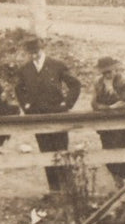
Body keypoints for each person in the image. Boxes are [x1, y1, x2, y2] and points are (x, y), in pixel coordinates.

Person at [15, 36, 82, 193]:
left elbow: (75, 84)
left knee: (61, 150)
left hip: (57, 115)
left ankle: (68, 191)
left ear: (41, 48)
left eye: (36, 51)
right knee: (46, 152)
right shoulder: (24, 69)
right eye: (30, 52)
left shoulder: (56, 65)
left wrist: (67, 104)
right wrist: (26, 106)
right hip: (37, 117)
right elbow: (19, 89)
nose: (34, 55)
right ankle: (54, 190)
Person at [91, 57, 125, 187]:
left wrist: (105, 106)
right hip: (104, 124)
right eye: (104, 73)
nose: (107, 75)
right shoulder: (98, 82)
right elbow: (94, 103)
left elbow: (123, 102)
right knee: (108, 153)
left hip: (121, 124)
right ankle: (118, 182)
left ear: (115, 69)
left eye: (109, 71)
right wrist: (108, 108)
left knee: (123, 153)